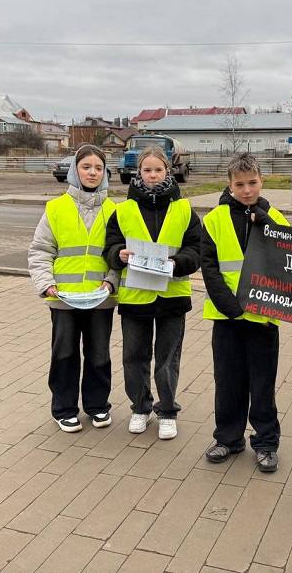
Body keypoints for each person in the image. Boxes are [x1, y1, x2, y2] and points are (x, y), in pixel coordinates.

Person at [103, 146, 201, 440]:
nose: (153, 175)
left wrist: (177, 263)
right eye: (147, 170)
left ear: (168, 171)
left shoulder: (184, 210)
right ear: (139, 173)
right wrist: (118, 254)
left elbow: (196, 250)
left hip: (172, 297)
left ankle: (167, 411)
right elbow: (109, 248)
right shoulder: (123, 211)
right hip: (136, 298)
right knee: (134, 356)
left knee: (168, 359)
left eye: (158, 170)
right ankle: (140, 408)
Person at [200, 153, 289, 472]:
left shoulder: (276, 217)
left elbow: (289, 261)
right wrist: (230, 306)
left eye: (252, 182)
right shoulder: (214, 219)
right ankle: (228, 438)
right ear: (230, 185)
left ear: (262, 181)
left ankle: (266, 442)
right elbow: (209, 267)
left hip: (264, 319)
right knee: (228, 382)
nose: (247, 190)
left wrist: (267, 224)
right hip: (228, 318)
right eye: (240, 184)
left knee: (263, 384)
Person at [28, 145, 119, 433]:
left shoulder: (114, 211)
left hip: (100, 298)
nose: (92, 172)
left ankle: (97, 406)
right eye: (86, 167)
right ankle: (64, 409)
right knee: (64, 354)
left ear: (105, 173)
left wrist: (111, 281)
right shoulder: (56, 208)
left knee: (99, 354)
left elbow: (119, 254)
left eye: (98, 168)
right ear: (74, 170)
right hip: (64, 299)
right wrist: (46, 284)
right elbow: (40, 250)